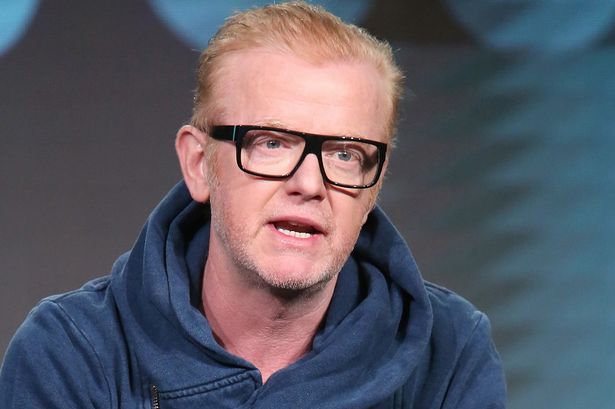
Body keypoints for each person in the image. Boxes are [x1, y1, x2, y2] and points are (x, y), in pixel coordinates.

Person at [0, 2, 506, 408]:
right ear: (200, 164)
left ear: (374, 184)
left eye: (345, 154)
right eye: (271, 144)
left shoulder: (449, 356)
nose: (309, 183)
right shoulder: (71, 353)